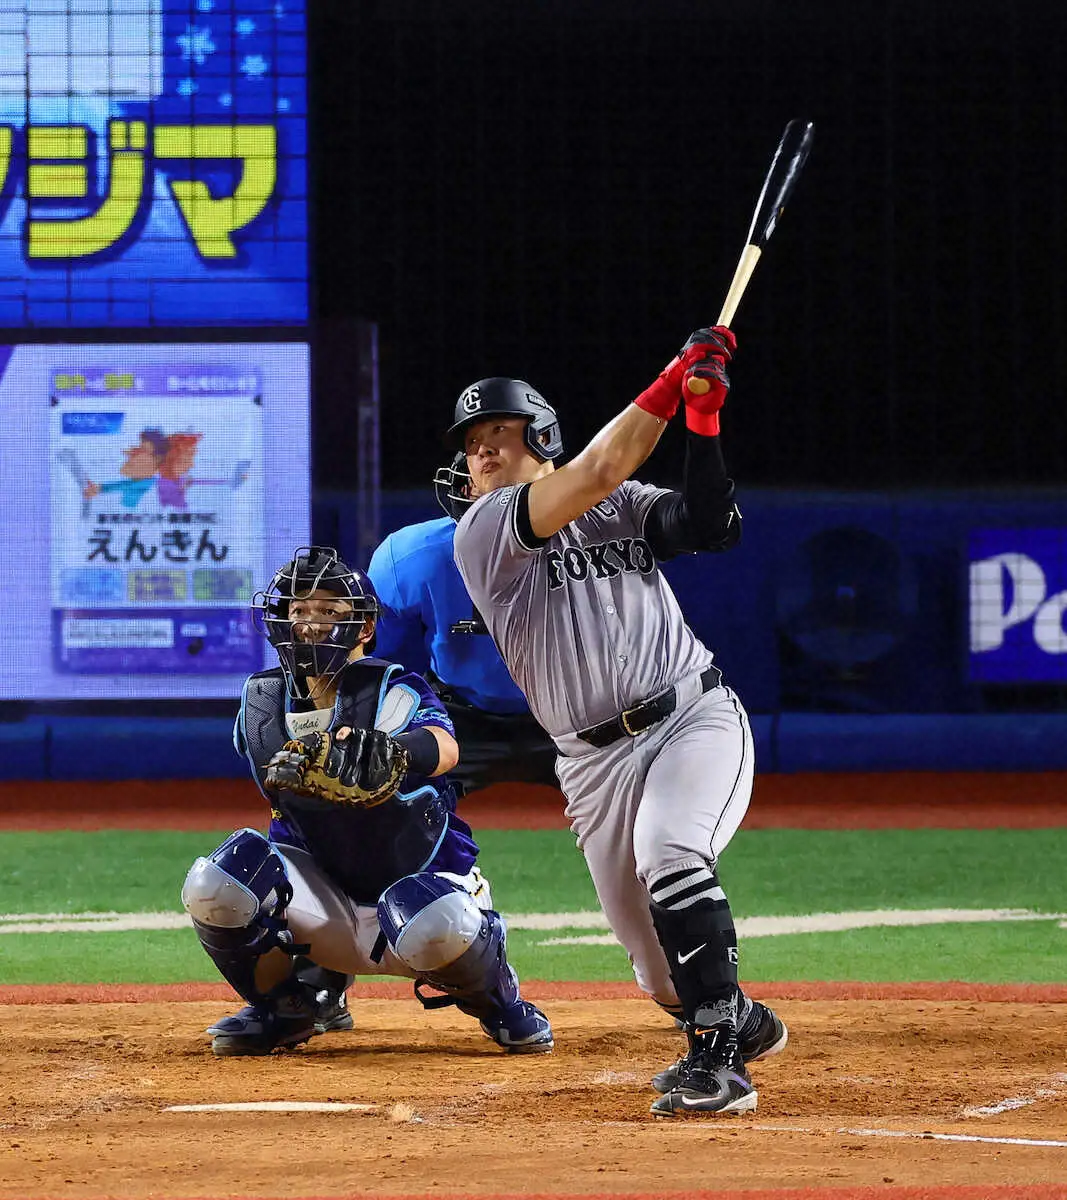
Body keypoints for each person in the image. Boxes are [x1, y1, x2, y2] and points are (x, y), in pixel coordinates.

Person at [449, 335, 787, 1117]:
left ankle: (721, 1063)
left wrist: (702, 421)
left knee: (671, 852)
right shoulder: (484, 529)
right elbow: (600, 466)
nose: (481, 452)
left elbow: (707, 524)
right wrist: (673, 380)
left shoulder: (619, 503)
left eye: (496, 433)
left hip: (689, 716)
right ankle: (737, 1018)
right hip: (591, 761)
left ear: (540, 434)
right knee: (658, 975)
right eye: (470, 444)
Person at [180, 545, 553, 1058]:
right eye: (299, 609)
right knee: (219, 879)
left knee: (430, 919)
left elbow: (445, 748)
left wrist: (395, 753)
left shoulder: (391, 687)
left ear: (364, 627)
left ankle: (498, 999)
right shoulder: (261, 700)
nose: (310, 622)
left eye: (329, 610)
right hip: (323, 904)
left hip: (420, 890)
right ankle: (291, 1006)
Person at [366, 447, 559, 798]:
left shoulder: (583, 541)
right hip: (459, 713)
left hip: (568, 708)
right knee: (382, 791)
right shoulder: (410, 556)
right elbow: (376, 662)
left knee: (632, 797)